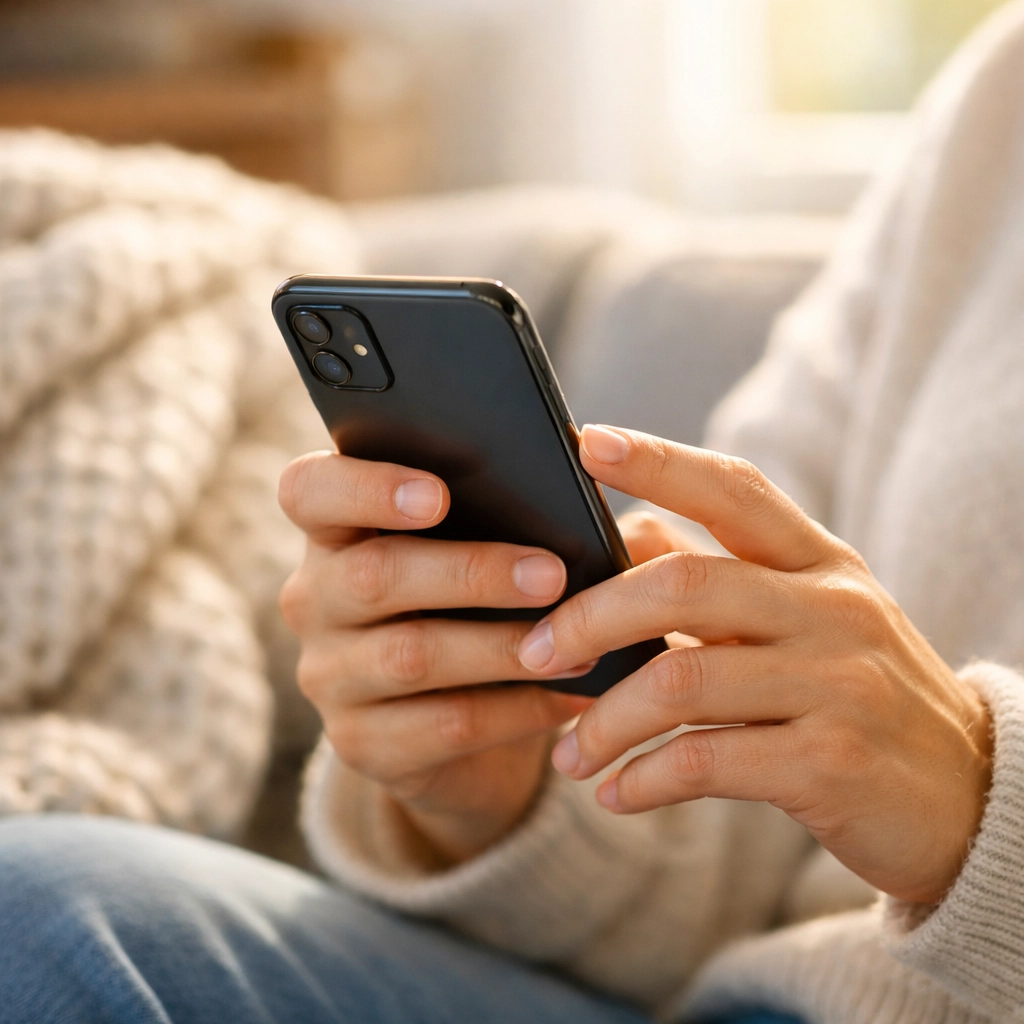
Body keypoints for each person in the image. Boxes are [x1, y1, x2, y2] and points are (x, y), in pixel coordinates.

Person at [3, 4, 1024, 1022]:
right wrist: (492, 799)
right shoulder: (994, 102)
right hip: (740, 999)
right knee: (45, 899)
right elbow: (734, 813)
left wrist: (978, 811)